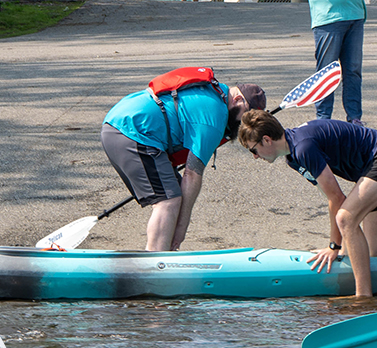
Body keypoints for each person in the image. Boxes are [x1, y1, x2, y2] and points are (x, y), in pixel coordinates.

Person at [239, 112, 377, 300]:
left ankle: (363, 297)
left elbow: (337, 199)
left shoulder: (303, 147)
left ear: (267, 140)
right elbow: (331, 197)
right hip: (376, 165)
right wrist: (339, 244)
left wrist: (334, 246)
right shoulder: (293, 158)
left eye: (253, 150)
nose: (256, 157)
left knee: (346, 218)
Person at [101, 73, 264, 251]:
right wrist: (182, 228)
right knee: (168, 200)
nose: (243, 124)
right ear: (238, 99)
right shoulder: (215, 114)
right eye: (247, 116)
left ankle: (165, 255)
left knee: (173, 194)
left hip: (126, 124)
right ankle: (154, 265)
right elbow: (192, 174)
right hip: (131, 130)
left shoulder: (215, 92)